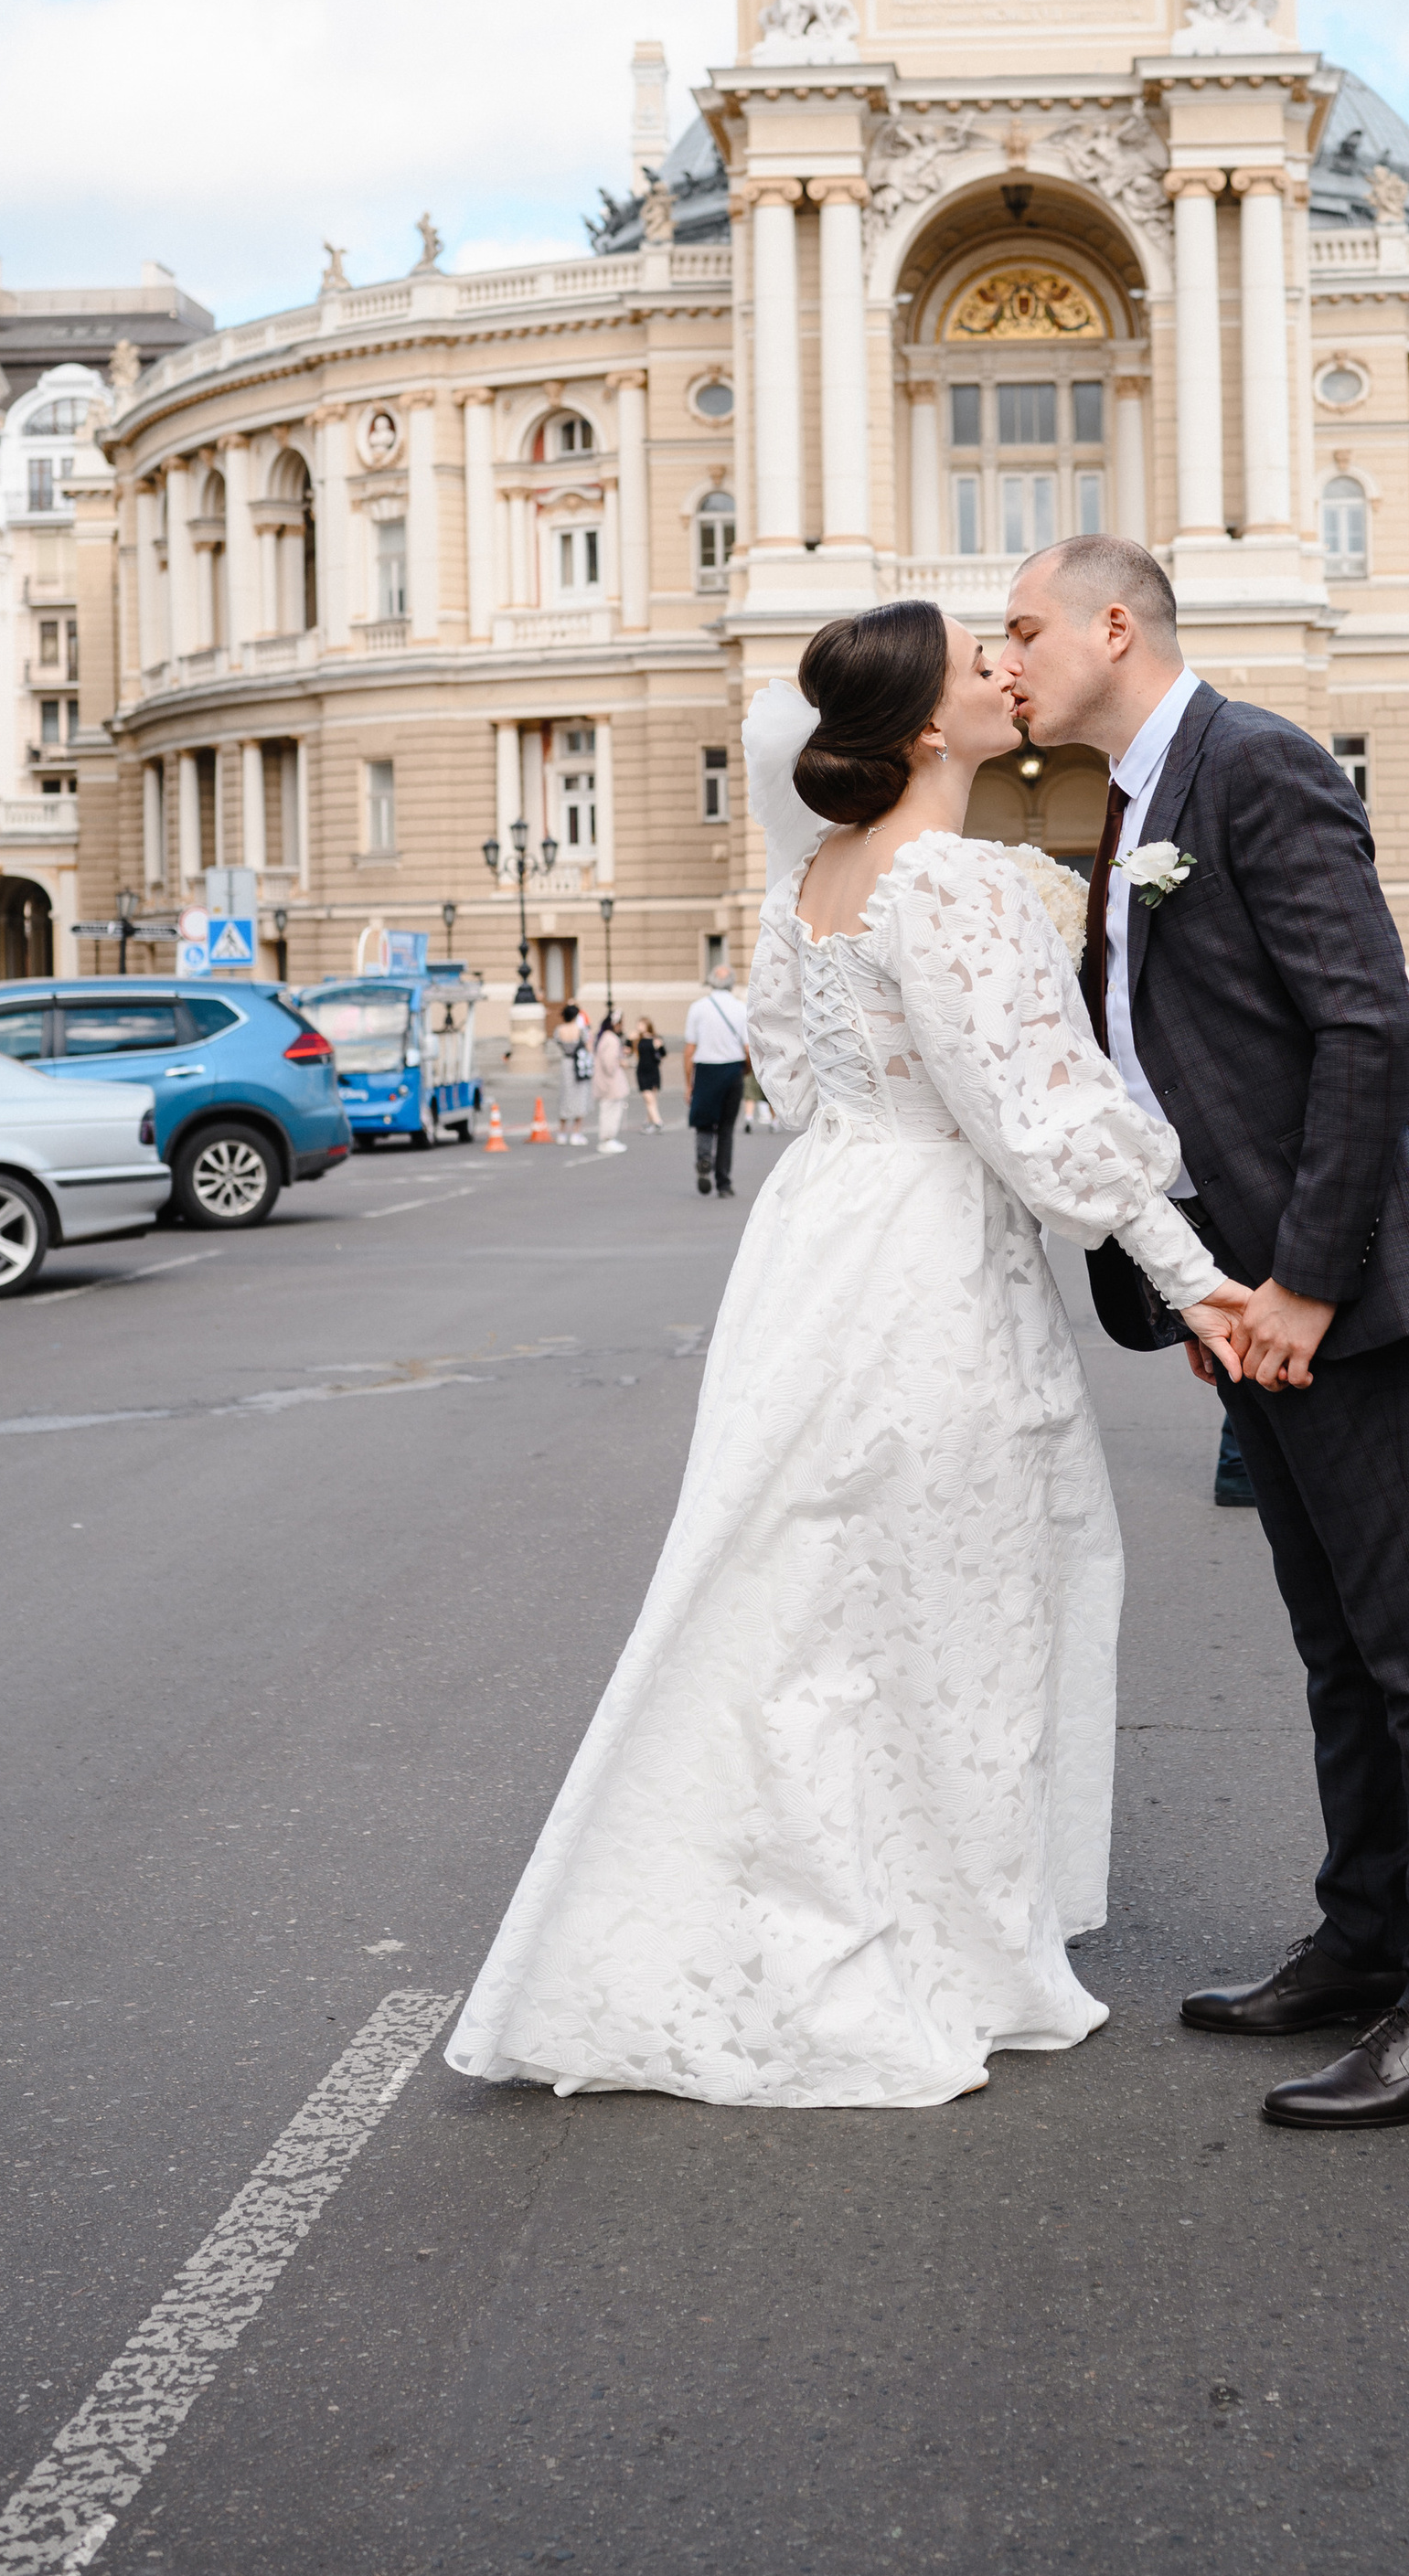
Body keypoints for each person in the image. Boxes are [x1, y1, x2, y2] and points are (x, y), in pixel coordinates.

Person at [444, 601, 1249, 2108]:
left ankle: (789, 1897)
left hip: (822, 1243)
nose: (1010, 668)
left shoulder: (814, 874)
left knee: (799, 1587)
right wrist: (1198, 1283)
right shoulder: (955, 880)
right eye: (977, 661)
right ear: (932, 726)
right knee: (965, 1590)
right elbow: (1043, 1118)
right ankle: (938, 1935)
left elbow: (802, 1084)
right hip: (937, 1261)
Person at [998, 538, 1409, 2137]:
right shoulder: (1127, 799)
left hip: (1326, 1293)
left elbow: (1369, 1020)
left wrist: (1304, 1280)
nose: (1004, 661)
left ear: (1111, 623)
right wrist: (1206, 1286)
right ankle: (1363, 1943)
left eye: (1022, 631)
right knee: (1336, 1642)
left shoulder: (1255, 760)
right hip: (1236, 1293)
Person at [681, 965, 752, 1197]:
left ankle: (703, 1159)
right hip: (732, 1069)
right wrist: (746, 1070)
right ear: (731, 983)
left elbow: (689, 1050)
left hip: (705, 1069)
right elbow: (748, 1048)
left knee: (704, 1123)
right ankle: (724, 1183)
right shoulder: (741, 1008)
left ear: (711, 982)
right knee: (726, 1128)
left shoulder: (698, 1008)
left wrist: (688, 1083)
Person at [548, 1001, 592, 1146]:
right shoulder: (580, 1029)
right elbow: (588, 1045)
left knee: (565, 1096)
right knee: (580, 1096)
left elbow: (557, 1041)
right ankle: (576, 1132)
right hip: (578, 1063)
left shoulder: (559, 1029)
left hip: (566, 1063)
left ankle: (561, 1133)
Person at [590, 1010, 632, 1153]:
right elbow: (609, 1064)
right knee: (611, 1112)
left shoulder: (604, 1038)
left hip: (605, 1082)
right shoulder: (612, 1039)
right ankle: (608, 1138)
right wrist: (620, 1063)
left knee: (608, 1111)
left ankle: (607, 1139)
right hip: (611, 1083)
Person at [633, 1020, 667, 1130]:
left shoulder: (656, 1038)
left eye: (641, 1024)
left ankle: (648, 1123)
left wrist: (659, 1046)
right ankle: (658, 1121)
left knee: (652, 1099)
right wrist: (629, 1040)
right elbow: (627, 1051)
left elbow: (663, 1054)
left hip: (653, 1070)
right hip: (642, 1071)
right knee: (648, 1098)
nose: (639, 1026)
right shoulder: (637, 1039)